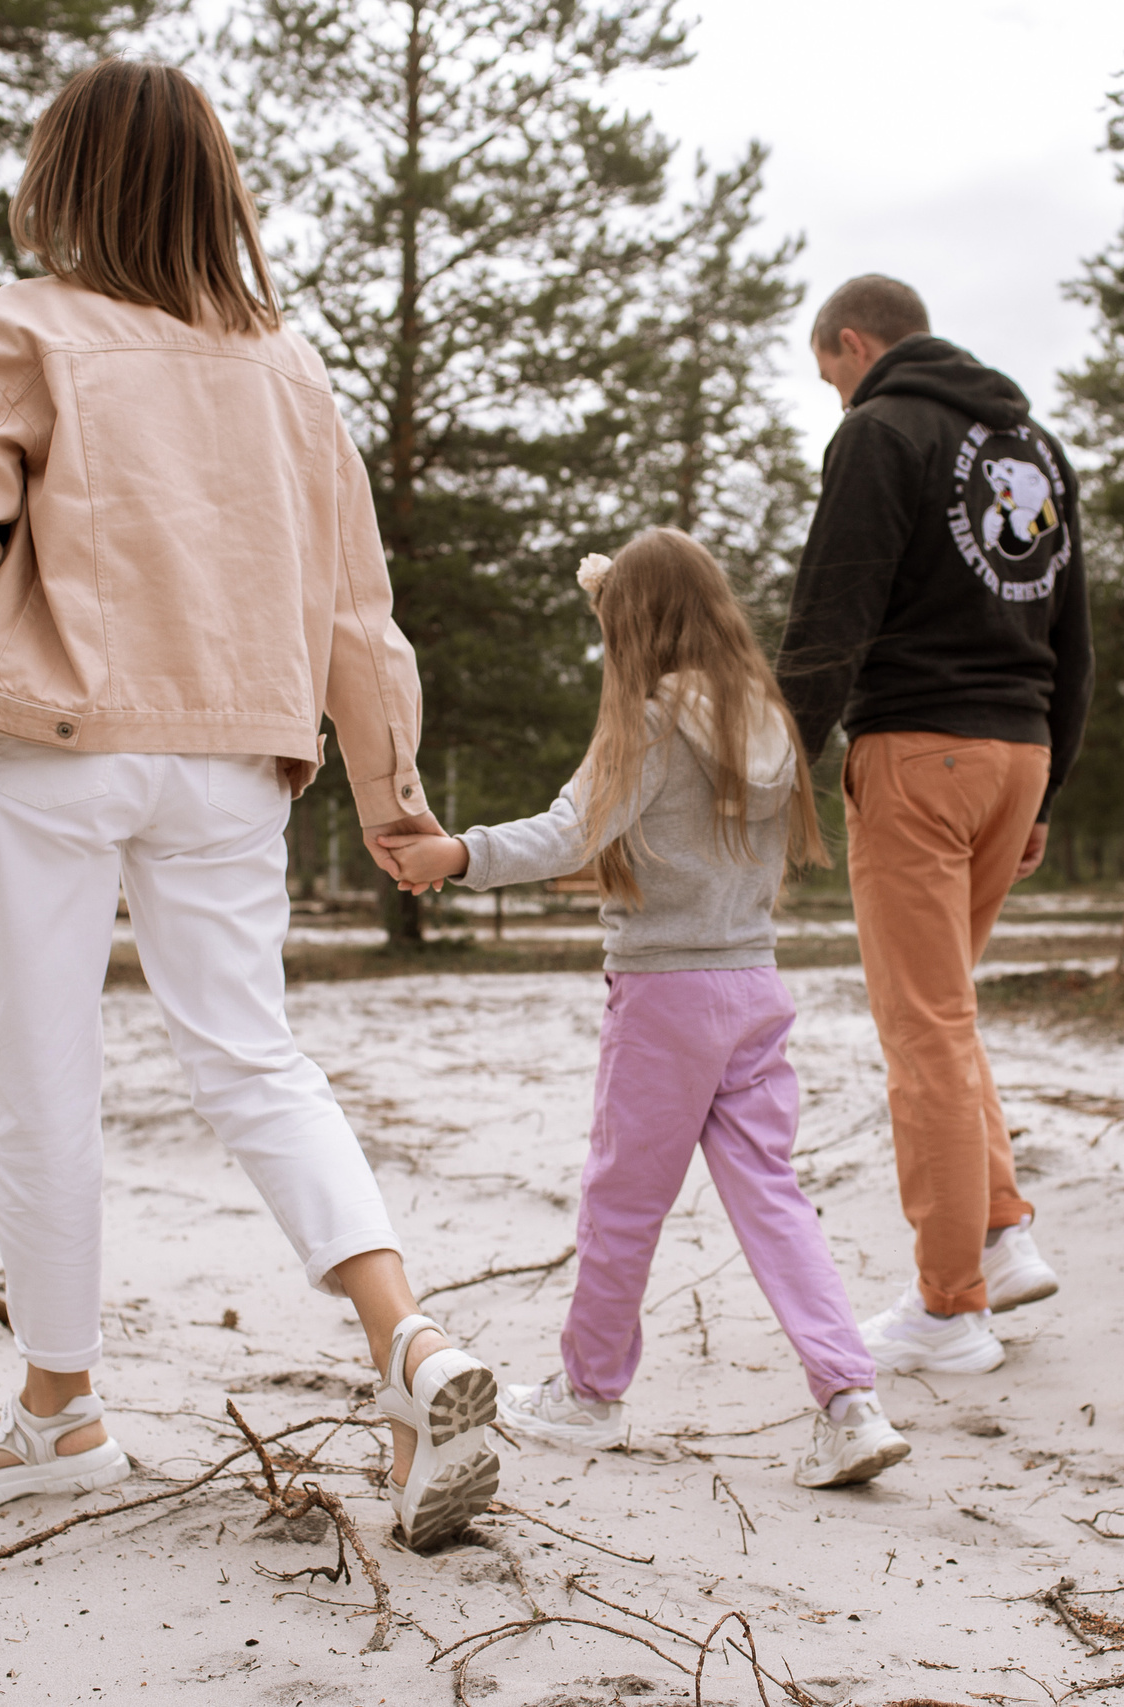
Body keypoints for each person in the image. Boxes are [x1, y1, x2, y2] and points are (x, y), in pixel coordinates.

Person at [0, 58, 498, 1548]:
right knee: (253, 1053)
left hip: (54, 737)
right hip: (231, 750)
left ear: (62, 180)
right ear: (218, 186)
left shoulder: (20, 328)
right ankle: (405, 1340)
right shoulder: (289, 367)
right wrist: (393, 789)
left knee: (45, 1074)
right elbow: (357, 609)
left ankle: (60, 1408)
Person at [378, 529, 912, 1489]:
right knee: (776, 1200)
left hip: (666, 996)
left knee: (622, 1200)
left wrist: (456, 854)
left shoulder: (653, 724)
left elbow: (570, 829)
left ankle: (589, 1394)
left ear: (637, 626)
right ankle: (850, 1399)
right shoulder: (768, 721)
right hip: (754, 989)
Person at [776, 275, 1093, 1377]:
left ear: (854, 343)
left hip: (919, 754)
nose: (834, 400)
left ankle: (949, 1308)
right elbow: (1076, 628)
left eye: (830, 376)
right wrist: (1046, 787)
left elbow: (834, 606)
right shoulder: (1033, 449)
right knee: (947, 1014)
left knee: (920, 1032)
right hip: (1018, 755)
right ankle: (1001, 1234)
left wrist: (775, 769)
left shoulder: (881, 434)